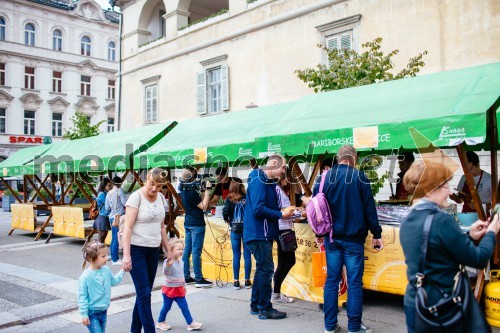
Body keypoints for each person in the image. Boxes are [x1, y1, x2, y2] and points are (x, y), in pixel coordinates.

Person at [399, 160, 499, 333]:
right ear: (430, 190)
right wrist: (491, 232)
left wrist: (469, 236)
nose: (449, 191)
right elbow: (479, 259)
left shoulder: (407, 221)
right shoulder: (441, 221)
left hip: (415, 303)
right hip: (443, 305)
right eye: (445, 186)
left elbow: (433, 247)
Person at [319, 145, 383, 333]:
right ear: (353, 158)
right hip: (354, 239)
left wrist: (319, 233)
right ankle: (354, 327)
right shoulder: (360, 177)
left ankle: (330, 326)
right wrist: (376, 234)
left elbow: (317, 207)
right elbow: (369, 209)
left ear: (338, 159)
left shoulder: (324, 178)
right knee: (354, 283)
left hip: (331, 237)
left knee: (332, 280)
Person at [244, 153, 294, 320]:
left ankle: (256, 304)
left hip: (260, 232)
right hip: (259, 233)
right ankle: (265, 307)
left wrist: (283, 213)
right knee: (266, 269)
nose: (283, 171)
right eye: (283, 167)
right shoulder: (260, 179)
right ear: (273, 163)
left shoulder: (264, 180)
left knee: (261, 269)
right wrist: (280, 214)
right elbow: (259, 209)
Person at [121, 168, 171, 333]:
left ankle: (135, 330)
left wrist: (168, 250)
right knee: (144, 295)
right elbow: (127, 228)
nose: (154, 189)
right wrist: (126, 255)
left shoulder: (161, 198)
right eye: (152, 184)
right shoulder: (136, 197)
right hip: (137, 250)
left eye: (159, 187)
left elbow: (162, 226)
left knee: (144, 294)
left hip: (152, 251)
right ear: (147, 179)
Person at [156, 238, 203, 331]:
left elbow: (181, 275)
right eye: (178, 249)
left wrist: (183, 286)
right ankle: (160, 322)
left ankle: (191, 323)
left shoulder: (181, 262)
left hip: (179, 289)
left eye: (182, 249)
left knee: (184, 306)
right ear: (171, 250)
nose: (181, 251)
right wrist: (168, 266)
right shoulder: (167, 261)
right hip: (169, 289)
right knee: (166, 306)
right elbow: (166, 273)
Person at [78, 241, 125, 333]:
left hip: (103, 311)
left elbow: (114, 281)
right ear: (92, 259)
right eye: (103, 256)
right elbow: (82, 296)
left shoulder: (106, 270)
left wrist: (122, 270)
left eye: (106, 255)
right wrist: (84, 314)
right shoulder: (85, 276)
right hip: (91, 313)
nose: (106, 258)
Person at [179, 166, 213, 288]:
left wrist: (203, 192)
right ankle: (199, 278)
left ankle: (186, 276)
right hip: (197, 223)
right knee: (196, 252)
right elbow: (204, 206)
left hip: (188, 222)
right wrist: (208, 190)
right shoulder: (191, 192)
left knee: (187, 250)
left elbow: (197, 202)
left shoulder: (183, 189)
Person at [222, 177, 252, 290]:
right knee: (247, 255)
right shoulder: (246, 198)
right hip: (247, 229)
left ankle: (236, 281)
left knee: (236, 255)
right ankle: (247, 281)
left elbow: (225, 211)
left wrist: (227, 219)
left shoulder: (229, 199)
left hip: (234, 229)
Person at [272, 169, 296, 304]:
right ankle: (275, 292)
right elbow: (280, 210)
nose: (288, 181)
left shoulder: (279, 190)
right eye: (286, 178)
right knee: (284, 262)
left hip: (284, 228)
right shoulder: (277, 190)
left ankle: (276, 291)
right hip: (282, 229)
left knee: (287, 261)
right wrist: (294, 213)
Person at [105, 176, 126, 266]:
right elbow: (125, 203)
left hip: (111, 217)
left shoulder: (108, 193)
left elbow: (107, 208)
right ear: (119, 183)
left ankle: (113, 255)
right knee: (116, 237)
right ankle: (115, 259)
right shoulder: (119, 191)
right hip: (118, 217)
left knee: (113, 237)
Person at [93, 179, 113, 244]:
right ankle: (97, 251)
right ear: (104, 186)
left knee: (102, 237)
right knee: (101, 237)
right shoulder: (102, 194)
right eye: (109, 185)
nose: (110, 187)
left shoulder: (105, 193)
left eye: (111, 185)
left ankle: (98, 251)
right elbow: (109, 204)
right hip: (102, 216)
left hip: (104, 216)